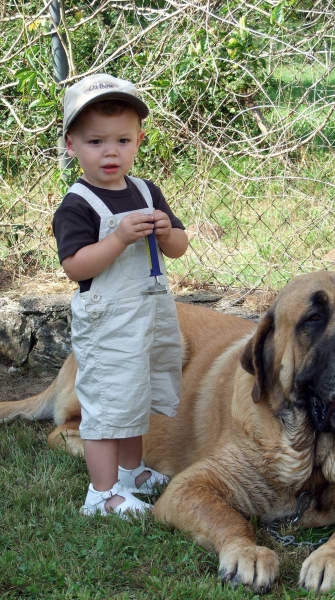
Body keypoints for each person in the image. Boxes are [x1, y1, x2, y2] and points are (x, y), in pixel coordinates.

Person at [52, 73, 189, 518]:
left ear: (138, 141)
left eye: (122, 140)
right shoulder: (77, 204)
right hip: (107, 323)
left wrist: (168, 233)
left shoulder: (147, 192)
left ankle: (133, 471)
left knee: (137, 396)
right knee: (108, 403)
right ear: (71, 144)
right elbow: (76, 266)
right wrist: (118, 240)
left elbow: (179, 247)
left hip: (147, 316)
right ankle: (102, 492)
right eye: (95, 142)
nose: (110, 152)